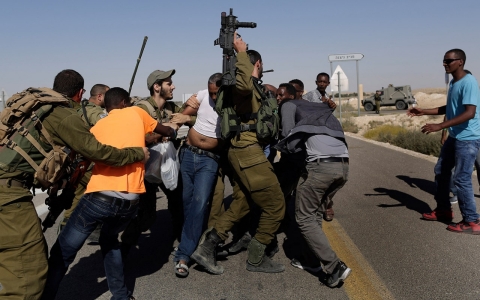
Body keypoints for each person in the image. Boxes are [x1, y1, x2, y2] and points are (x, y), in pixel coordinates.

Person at [0, 69, 147, 300]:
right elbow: (97, 152)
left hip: (10, 187)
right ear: (80, 93)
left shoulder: (37, 109)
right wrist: (136, 154)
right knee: (30, 271)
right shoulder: (64, 116)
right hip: (9, 193)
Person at [41, 87, 178, 300]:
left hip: (100, 198)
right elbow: (164, 131)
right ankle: (121, 295)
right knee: (110, 239)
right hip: (131, 202)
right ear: (124, 102)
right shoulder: (137, 113)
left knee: (63, 252)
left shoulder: (96, 127)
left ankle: (45, 296)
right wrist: (173, 131)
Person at [192, 34, 286, 274]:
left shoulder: (242, 87)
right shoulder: (240, 86)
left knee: (243, 203)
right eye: (261, 65)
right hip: (248, 151)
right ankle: (256, 258)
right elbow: (245, 85)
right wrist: (240, 52)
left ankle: (208, 246)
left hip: (242, 150)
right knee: (275, 205)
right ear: (257, 64)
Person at [275, 96, 352, 288]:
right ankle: (311, 262)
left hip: (320, 167)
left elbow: (288, 139)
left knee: (303, 218)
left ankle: (335, 266)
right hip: (343, 166)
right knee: (315, 214)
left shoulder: (288, 105)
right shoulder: (321, 108)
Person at [121, 69, 195, 257]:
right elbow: (134, 137)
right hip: (144, 166)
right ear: (156, 87)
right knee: (146, 215)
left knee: (178, 202)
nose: (173, 86)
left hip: (165, 164)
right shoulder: (141, 109)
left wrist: (191, 107)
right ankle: (122, 250)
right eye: (169, 83)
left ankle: (183, 244)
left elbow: (188, 111)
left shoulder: (170, 108)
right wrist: (161, 133)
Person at [408, 49, 480, 234]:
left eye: (449, 61)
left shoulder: (469, 82)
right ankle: (443, 210)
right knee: (441, 171)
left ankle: (472, 221)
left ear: (460, 62)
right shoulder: (455, 82)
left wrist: (440, 126)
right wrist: (423, 111)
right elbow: (451, 108)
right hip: (455, 137)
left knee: (462, 178)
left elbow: (469, 112)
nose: (444, 64)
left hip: (468, 139)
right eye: (443, 60)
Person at [173, 73, 222, 277]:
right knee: (187, 202)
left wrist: (189, 118)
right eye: (210, 92)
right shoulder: (202, 96)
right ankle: (192, 238)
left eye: (216, 93)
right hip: (188, 154)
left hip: (209, 160)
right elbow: (180, 118)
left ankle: (183, 255)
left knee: (200, 202)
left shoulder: (231, 104)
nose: (213, 96)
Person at [60, 83, 110, 234]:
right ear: (100, 96)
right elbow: (109, 127)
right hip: (89, 163)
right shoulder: (95, 112)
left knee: (76, 196)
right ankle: (95, 228)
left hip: (75, 162)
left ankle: (65, 227)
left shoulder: (78, 109)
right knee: (104, 195)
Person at [302, 73, 337, 221]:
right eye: (320, 81)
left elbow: (328, 116)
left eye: (325, 82)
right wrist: (319, 106)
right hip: (312, 138)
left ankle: (327, 203)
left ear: (328, 83)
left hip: (326, 138)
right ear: (316, 82)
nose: (322, 84)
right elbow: (303, 112)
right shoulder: (309, 96)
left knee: (332, 175)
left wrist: (331, 107)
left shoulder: (329, 97)